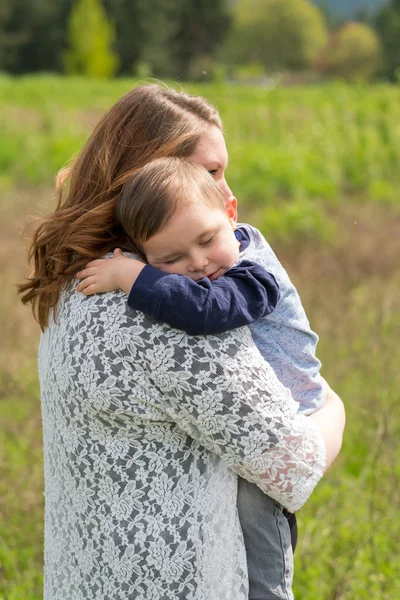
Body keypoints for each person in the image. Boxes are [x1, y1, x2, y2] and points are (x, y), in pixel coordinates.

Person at [18, 84, 345, 600]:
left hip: (88, 574)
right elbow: (295, 467)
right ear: (150, 178)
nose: (224, 188)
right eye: (210, 172)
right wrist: (333, 407)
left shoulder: (78, 281)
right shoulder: (167, 310)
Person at [76, 156, 327, 599]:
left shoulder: (252, 277)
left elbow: (205, 309)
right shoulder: (204, 259)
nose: (198, 264)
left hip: (293, 420)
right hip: (249, 432)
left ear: (231, 214)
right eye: (170, 258)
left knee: (260, 545)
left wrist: (134, 277)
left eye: (208, 240)